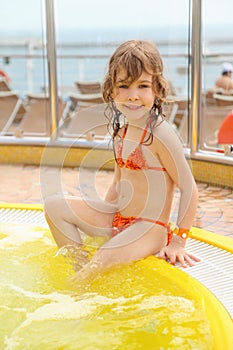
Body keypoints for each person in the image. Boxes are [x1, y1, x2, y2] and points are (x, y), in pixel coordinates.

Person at [44, 40, 199, 279]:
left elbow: (189, 188)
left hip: (148, 228)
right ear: (112, 90)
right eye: (124, 86)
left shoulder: (160, 134)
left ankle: (84, 282)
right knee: (55, 206)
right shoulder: (121, 132)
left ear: (157, 89)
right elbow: (118, 184)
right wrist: (100, 227)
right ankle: (81, 268)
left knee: (98, 264)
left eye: (143, 86)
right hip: (119, 219)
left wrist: (179, 241)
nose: (133, 96)